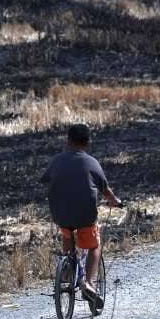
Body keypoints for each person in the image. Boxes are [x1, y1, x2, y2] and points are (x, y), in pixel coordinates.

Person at [40, 123, 121, 308]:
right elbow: (106, 190)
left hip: (60, 215)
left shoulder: (57, 161)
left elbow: (46, 179)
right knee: (94, 246)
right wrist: (115, 201)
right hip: (85, 216)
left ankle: (67, 268)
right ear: (88, 143)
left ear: (67, 141)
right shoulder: (92, 162)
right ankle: (89, 284)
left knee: (67, 232)